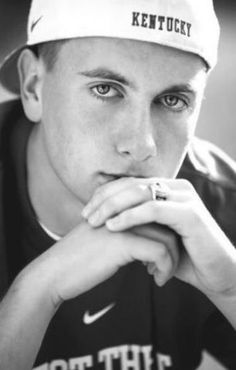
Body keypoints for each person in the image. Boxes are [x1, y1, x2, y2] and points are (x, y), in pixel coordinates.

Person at [0, 0, 235, 369]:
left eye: (173, 100)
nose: (142, 145)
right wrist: (35, 292)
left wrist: (231, 291)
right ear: (33, 87)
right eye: (106, 89)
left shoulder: (217, 209)